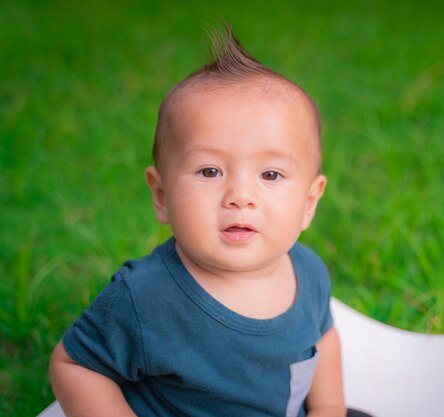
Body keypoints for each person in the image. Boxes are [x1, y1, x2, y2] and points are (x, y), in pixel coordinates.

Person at [49, 26, 371, 417]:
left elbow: (323, 339)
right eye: (209, 171)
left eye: (270, 175)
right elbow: (74, 365)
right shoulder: (146, 298)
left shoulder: (309, 272)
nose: (240, 195)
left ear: (309, 202)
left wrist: (328, 407)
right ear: (162, 195)